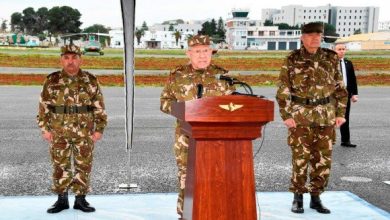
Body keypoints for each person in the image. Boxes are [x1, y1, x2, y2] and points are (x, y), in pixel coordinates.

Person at [276, 22, 348, 214]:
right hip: (300, 116)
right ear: (302, 37)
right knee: (300, 159)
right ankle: (297, 197)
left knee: (323, 160)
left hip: (326, 116)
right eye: (310, 35)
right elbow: (283, 90)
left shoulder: (330, 58)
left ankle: (316, 197)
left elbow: (341, 90)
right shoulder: (292, 59)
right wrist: (286, 115)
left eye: (318, 35)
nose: (315, 38)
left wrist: (340, 114)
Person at [160, 34, 235, 218]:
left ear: (211, 52)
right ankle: (185, 214)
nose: (202, 56)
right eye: (198, 52)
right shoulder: (177, 75)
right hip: (186, 137)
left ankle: (214, 213)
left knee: (217, 177)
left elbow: (234, 104)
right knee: (187, 178)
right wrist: (185, 111)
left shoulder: (222, 75)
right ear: (189, 54)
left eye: (206, 51)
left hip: (217, 138)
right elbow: (164, 102)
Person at [37, 44, 107, 213]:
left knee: (84, 165)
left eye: (74, 57)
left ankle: (80, 200)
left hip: (84, 131)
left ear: (80, 59)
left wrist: (99, 129)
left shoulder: (90, 80)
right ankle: (62, 200)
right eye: (67, 58)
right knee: (60, 165)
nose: (70, 61)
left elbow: (99, 106)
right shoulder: (52, 80)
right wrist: (44, 128)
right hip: (58, 131)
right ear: (61, 59)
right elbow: (43, 106)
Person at [334, 43, 358, 147]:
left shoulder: (348, 63)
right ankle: (326, 141)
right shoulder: (330, 63)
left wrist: (354, 94)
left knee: (345, 117)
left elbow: (353, 79)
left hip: (346, 94)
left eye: (343, 49)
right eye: (339, 49)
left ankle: (345, 140)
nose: (341, 51)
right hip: (332, 94)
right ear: (334, 50)